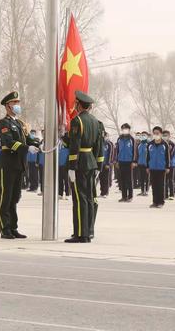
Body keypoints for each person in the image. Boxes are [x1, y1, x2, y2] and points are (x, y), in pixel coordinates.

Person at [0, 91, 38, 239]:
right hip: (7, 163)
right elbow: (9, 142)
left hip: (19, 164)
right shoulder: (4, 123)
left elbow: (29, 139)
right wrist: (27, 148)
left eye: (18, 103)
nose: (17, 106)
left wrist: (38, 143)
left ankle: (13, 227)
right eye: (14, 103)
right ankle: (5, 228)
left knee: (15, 197)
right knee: (6, 197)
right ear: (8, 106)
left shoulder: (20, 124)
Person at [65, 91, 103, 243]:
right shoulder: (96, 122)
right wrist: (99, 165)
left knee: (80, 199)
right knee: (88, 198)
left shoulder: (77, 121)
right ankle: (87, 230)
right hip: (91, 162)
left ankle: (81, 234)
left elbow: (75, 145)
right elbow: (99, 146)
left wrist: (72, 166)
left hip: (80, 162)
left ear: (79, 105)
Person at [146, 127, 170, 208]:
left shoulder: (165, 144)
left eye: (157, 133)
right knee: (154, 186)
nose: (156, 135)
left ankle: (161, 202)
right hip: (152, 168)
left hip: (161, 168)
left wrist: (167, 167)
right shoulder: (150, 144)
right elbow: (148, 156)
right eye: (154, 133)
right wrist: (147, 166)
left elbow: (167, 157)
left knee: (160, 185)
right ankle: (154, 202)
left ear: (161, 134)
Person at [115, 123, 137, 203]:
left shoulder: (132, 139)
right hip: (121, 161)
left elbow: (134, 151)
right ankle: (123, 196)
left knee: (129, 179)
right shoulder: (119, 139)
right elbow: (117, 150)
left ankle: (130, 196)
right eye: (123, 129)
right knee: (122, 179)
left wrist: (134, 161)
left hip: (129, 162)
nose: (124, 130)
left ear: (129, 130)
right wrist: (116, 161)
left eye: (126, 129)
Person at [100, 132, 114, 197]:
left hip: (107, 164)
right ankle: (102, 192)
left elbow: (111, 155)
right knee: (101, 178)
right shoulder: (100, 143)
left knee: (106, 178)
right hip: (100, 164)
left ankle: (106, 192)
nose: (105, 137)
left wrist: (108, 163)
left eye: (106, 136)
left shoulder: (109, 144)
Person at [136, 131, 149, 196]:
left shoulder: (149, 144)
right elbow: (138, 154)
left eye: (144, 135)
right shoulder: (140, 145)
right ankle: (142, 190)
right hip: (140, 163)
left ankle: (146, 191)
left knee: (146, 178)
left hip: (146, 164)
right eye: (142, 135)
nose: (143, 136)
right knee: (141, 178)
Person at [57, 133, 70, 199]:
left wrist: (63, 142)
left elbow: (67, 144)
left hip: (66, 165)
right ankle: (60, 193)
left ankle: (67, 194)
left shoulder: (68, 148)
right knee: (60, 180)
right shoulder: (59, 147)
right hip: (59, 165)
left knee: (66, 180)